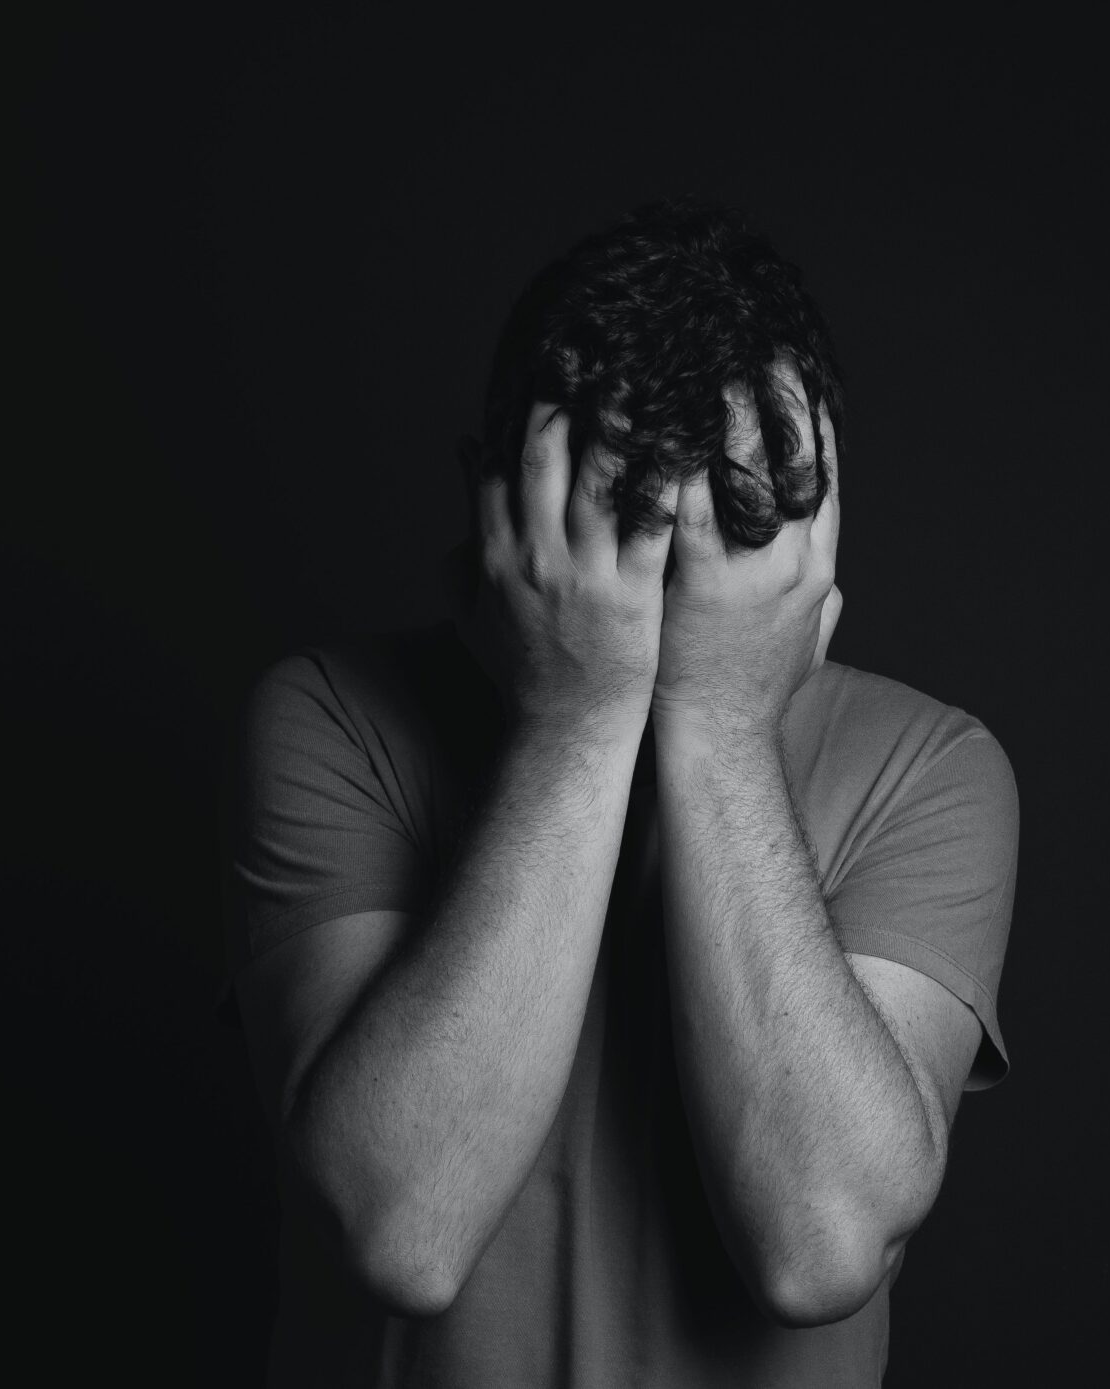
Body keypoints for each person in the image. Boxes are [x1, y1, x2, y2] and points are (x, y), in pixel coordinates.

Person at [225, 198, 1021, 1387]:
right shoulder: (333, 718)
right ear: (494, 513)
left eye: (723, 542)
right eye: (622, 531)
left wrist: (718, 724)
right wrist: (577, 718)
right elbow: (401, 1228)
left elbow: (820, 1246)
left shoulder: (933, 765)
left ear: (812, 542)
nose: (658, 598)